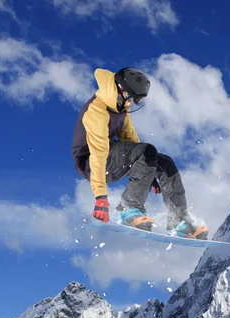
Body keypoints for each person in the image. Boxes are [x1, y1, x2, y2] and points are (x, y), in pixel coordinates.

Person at [71, 67, 208, 240]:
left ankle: (178, 221)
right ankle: (127, 209)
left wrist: (148, 168)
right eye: (133, 99)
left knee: (165, 163)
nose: (133, 104)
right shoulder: (96, 111)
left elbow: (131, 140)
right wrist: (100, 197)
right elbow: (98, 153)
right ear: (122, 91)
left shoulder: (120, 106)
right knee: (147, 151)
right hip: (90, 163)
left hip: (111, 156)